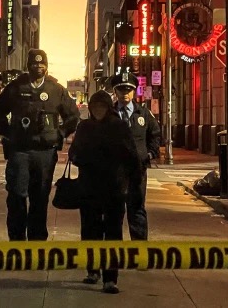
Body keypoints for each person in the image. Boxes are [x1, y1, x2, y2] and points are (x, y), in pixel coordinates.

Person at [0, 49, 80, 241]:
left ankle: (37, 239)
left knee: (40, 198)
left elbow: (73, 116)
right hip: (20, 151)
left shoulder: (56, 90)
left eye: (42, 64)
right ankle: (16, 238)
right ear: (28, 66)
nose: (38, 66)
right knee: (16, 195)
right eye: (34, 63)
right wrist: (8, 133)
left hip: (45, 152)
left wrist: (60, 133)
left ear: (46, 67)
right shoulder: (16, 87)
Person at [69, 89, 141, 294]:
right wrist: (80, 158)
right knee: (90, 230)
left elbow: (131, 156)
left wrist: (132, 182)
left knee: (112, 232)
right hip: (90, 187)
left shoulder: (118, 127)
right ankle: (92, 271)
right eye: (95, 107)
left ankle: (110, 278)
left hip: (114, 189)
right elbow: (74, 151)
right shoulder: (85, 127)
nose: (98, 110)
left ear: (108, 108)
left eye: (101, 106)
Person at [110, 72, 161, 240]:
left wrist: (150, 153)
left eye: (129, 90)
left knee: (137, 208)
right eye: (121, 90)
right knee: (114, 211)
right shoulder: (109, 115)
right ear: (115, 92)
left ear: (134, 92)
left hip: (137, 170)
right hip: (114, 172)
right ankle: (114, 252)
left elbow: (155, 135)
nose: (125, 93)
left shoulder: (143, 114)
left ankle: (139, 252)